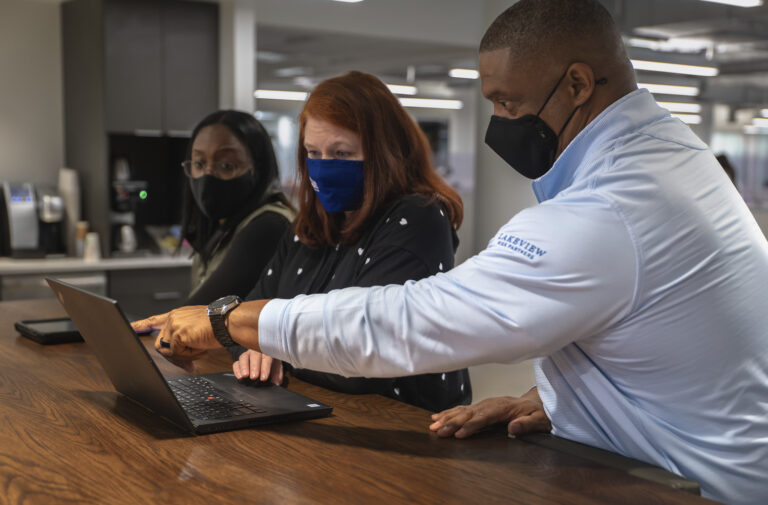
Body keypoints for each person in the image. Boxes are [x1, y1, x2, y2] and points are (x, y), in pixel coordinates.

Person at [134, 1, 768, 503]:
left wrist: (229, 320)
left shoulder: (610, 210)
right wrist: (562, 400)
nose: (498, 120)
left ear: (578, 83)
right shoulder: (673, 158)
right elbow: (672, 333)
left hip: (692, 490)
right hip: (673, 463)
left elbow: (413, 321)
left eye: (508, 102)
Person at [187, 72, 471, 412]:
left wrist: (273, 341)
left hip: (406, 429)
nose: (323, 167)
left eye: (341, 153)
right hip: (317, 416)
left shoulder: (418, 218)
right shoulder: (312, 223)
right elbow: (247, 317)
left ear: (384, 153)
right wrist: (255, 344)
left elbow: (360, 363)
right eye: (313, 152)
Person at [180, 110, 294, 305]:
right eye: (199, 163)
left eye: (226, 166)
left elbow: (195, 313)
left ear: (257, 169)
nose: (207, 176)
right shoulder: (221, 225)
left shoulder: (269, 225)